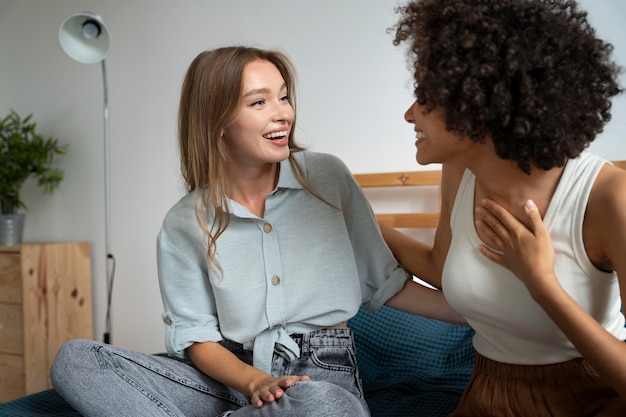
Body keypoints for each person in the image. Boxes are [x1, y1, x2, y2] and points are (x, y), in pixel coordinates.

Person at [50, 46, 463, 417]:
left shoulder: (327, 178)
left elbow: (383, 284)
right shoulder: (184, 222)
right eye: (259, 102)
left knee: (327, 407)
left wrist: (486, 314)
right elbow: (197, 339)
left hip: (318, 378)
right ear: (218, 121)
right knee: (76, 361)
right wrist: (253, 382)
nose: (282, 112)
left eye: (283, 96)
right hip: (227, 380)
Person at [380, 0, 626, 416]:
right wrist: (357, 217)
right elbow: (442, 268)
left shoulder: (609, 199)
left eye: (423, 97)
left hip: (592, 396)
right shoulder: (461, 170)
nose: (408, 114)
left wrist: (540, 282)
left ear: (478, 108)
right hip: (487, 391)